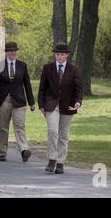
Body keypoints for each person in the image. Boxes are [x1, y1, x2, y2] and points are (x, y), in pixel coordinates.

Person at [38, 42, 83, 174]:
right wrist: (41, 105)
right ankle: (52, 160)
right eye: (57, 54)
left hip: (67, 106)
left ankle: (60, 162)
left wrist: (78, 102)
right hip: (51, 105)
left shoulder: (73, 69)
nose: (59, 57)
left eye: (62, 54)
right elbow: (42, 88)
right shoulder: (47, 68)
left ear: (67, 55)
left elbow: (78, 89)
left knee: (64, 135)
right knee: (52, 131)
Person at [0, 42, 35, 162]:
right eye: (10, 51)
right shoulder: (0, 65)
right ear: (6, 52)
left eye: (14, 50)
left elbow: (27, 84)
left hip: (19, 101)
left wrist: (31, 102)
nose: (13, 53)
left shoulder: (22, 66)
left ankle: (24, 150)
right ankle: (2, 152)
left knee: (20, 126)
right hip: (3, 100)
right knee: (3, 127)